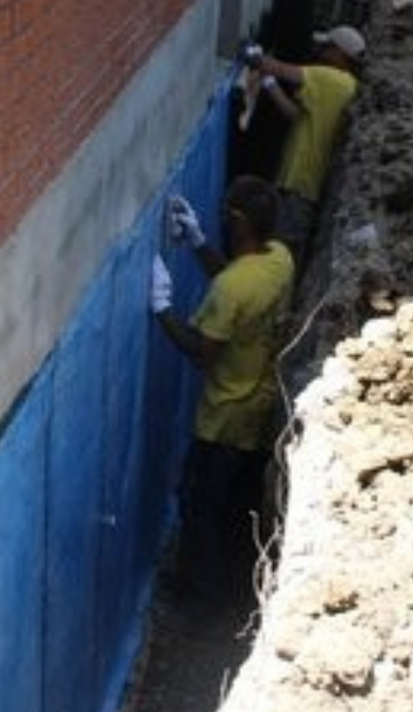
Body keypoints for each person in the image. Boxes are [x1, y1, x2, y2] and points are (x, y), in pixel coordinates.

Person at [149, 175, 295, 606]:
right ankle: (228, 580)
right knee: (232, 500)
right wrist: (197, 242)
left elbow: (201, 351)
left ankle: (204, 600)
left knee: (202, 507)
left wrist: (161, 307)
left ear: (237, 222)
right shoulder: (279, 259)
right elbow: (235, 282)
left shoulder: (232, 288)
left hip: (226, 414)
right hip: (261, 397)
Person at [245, 26, 364, 257]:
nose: (322, 52)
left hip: (300, 187)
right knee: (280, 251)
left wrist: (252, 55)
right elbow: (296, 116)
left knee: (279, 252)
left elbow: (279, 68)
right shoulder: (346, 87)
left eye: (328, 48)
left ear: (341, 54)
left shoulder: (331, 79)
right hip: (299, 186)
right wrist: (269, 84)